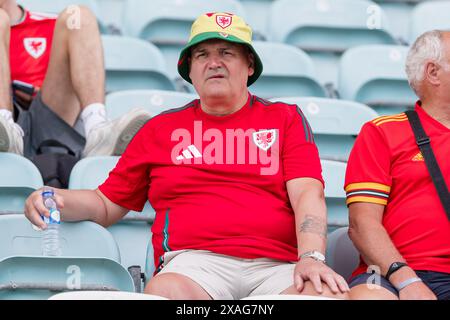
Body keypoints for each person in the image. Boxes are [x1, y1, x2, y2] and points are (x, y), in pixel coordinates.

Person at [24, 12, 349, 300]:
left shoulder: (285, 118)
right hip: (194, 265)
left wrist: (311, 257)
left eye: (227, 53)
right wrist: (55, 199)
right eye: (202, 55)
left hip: (277, 265)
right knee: (166, 294)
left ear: (249, 66)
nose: (214, 62)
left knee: (324, 296)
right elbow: (107, 204)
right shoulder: (160, 129)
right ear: (189, 71)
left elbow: (307, 191)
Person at [345, 30, 450, 300]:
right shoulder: (381, 132)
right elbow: (362, 223)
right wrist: (407, 281)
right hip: (388, 273)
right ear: (433, 72)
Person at [0, 0, 151, 158]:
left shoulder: (50, 24)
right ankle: (3, 123)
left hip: (51, 113)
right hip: (10, 120)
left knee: (78, 16)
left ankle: (97, 131)